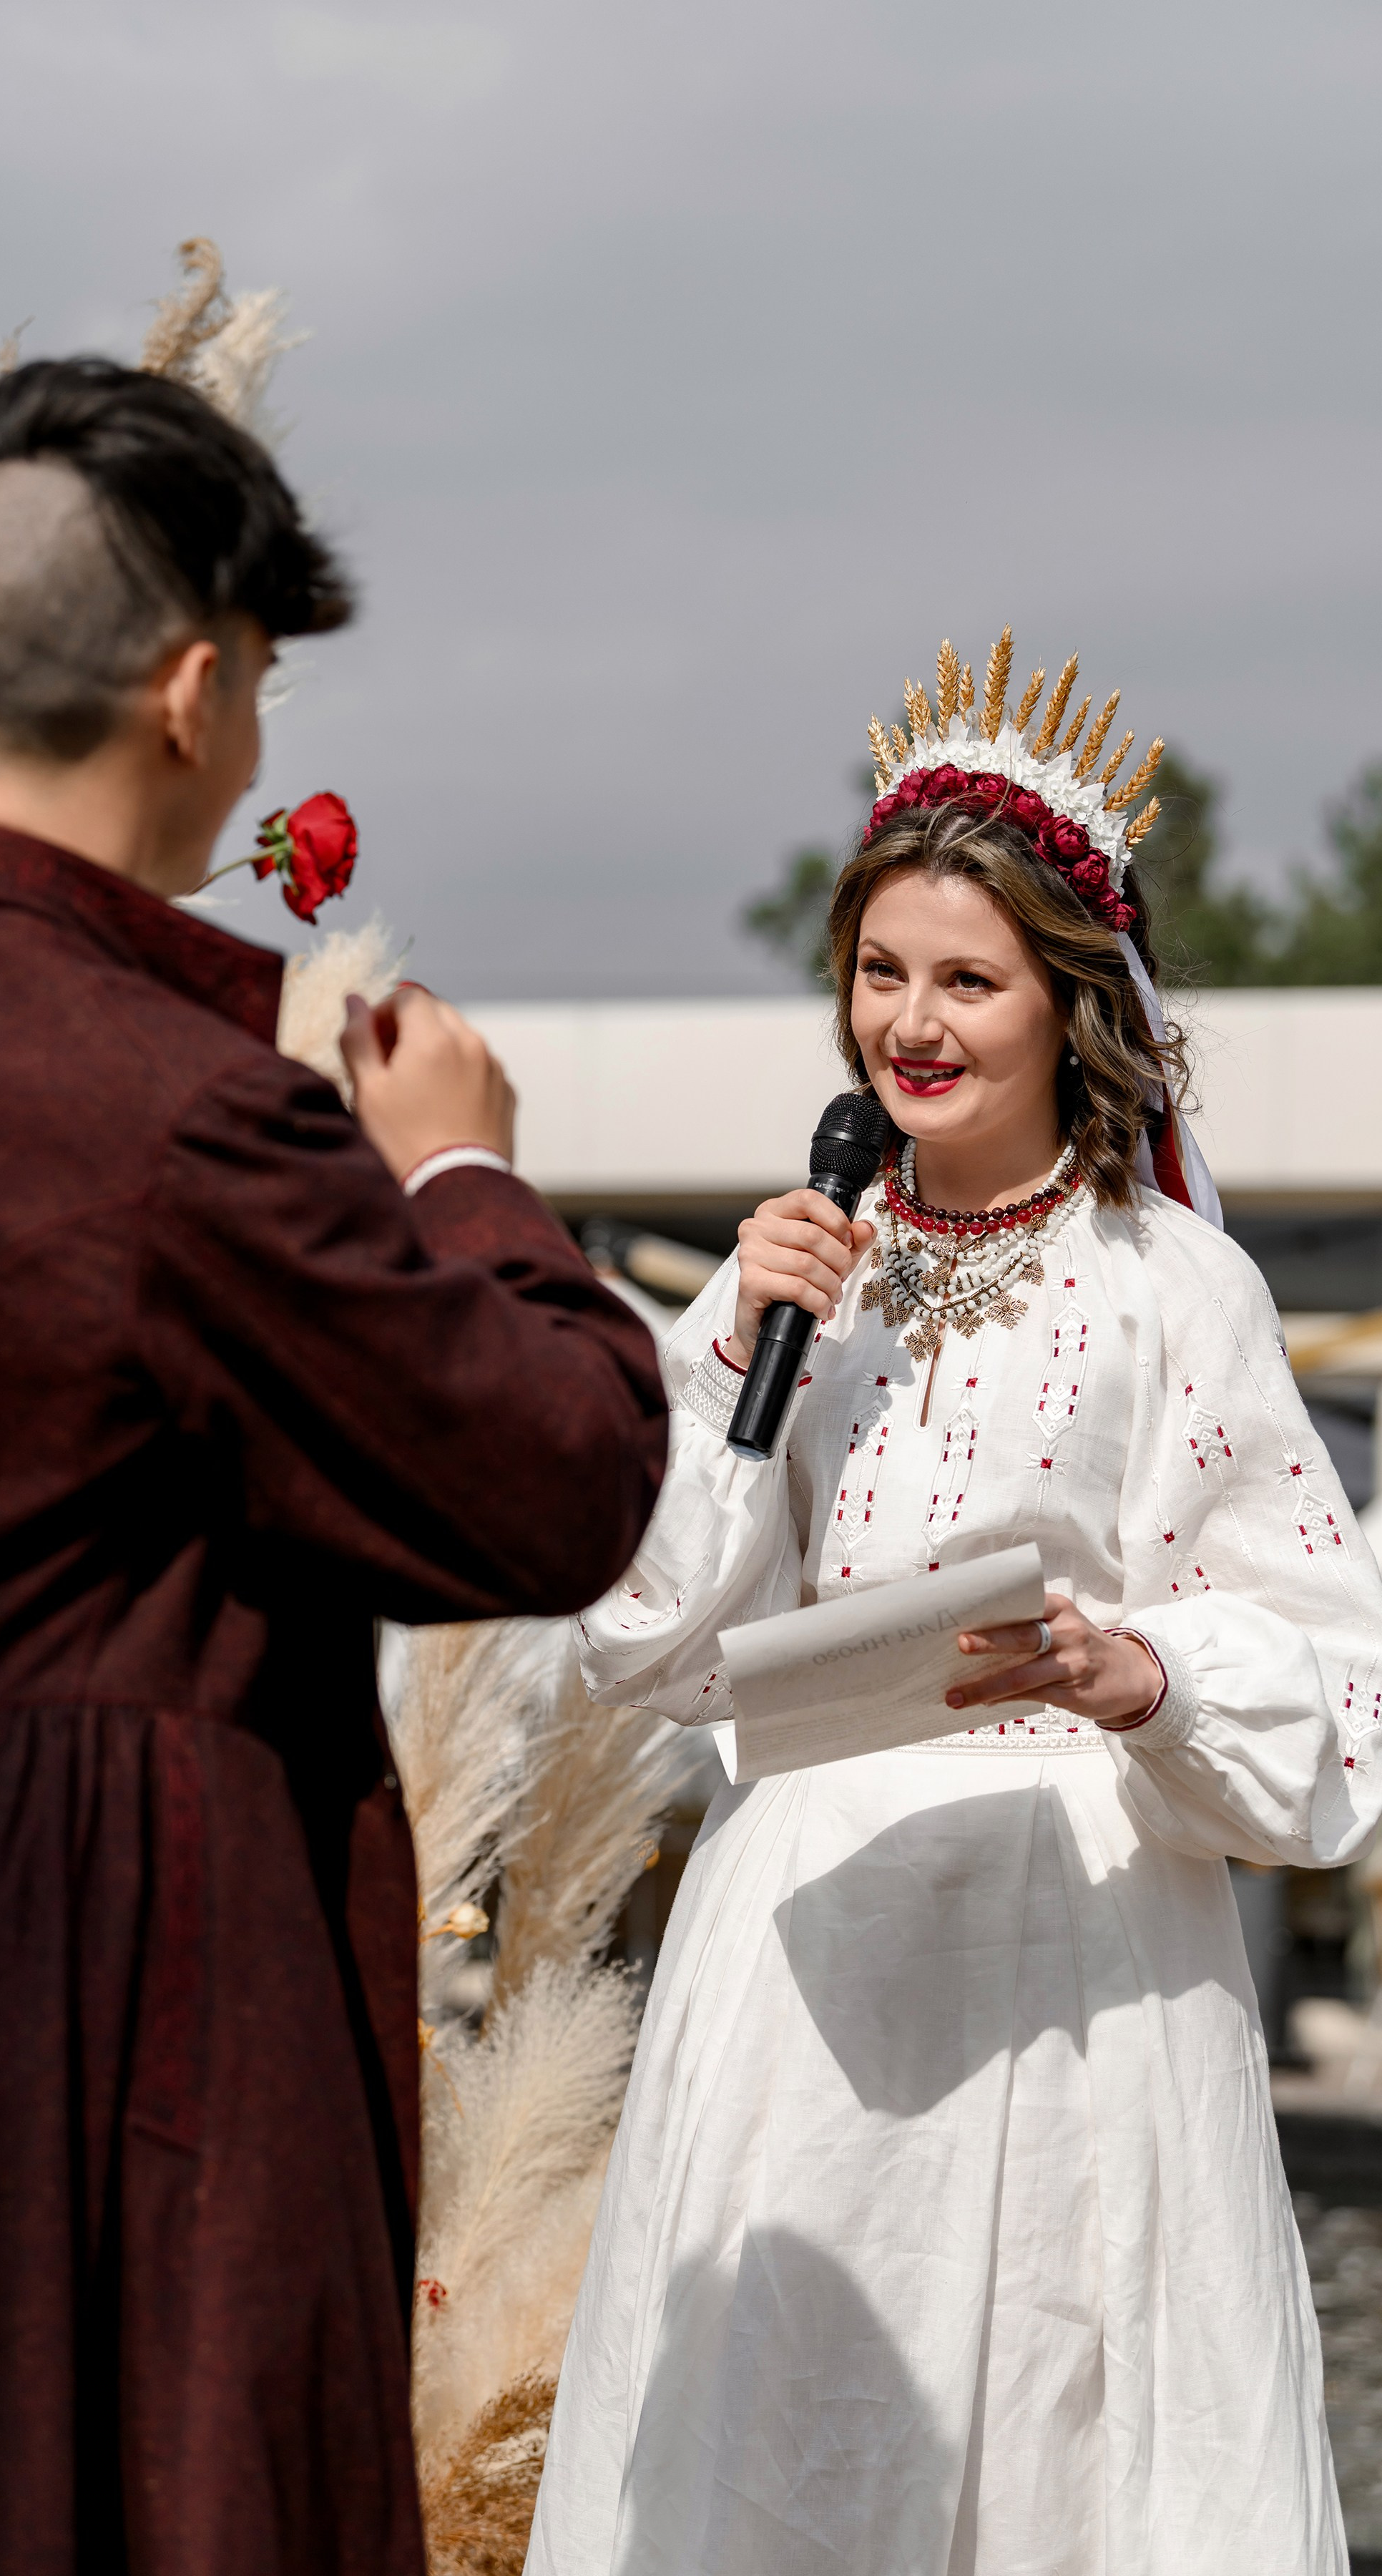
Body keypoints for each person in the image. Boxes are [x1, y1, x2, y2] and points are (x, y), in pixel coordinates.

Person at [0, 358, 667, 2576]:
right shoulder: (189, 1121)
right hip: (106, 2033)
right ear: (197, 692)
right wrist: (467, 1176)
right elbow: (559, 1482)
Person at [526, 637, 1382, 2576]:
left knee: (1067, 2453)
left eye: (968, 981)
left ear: (1071, 1001)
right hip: (803, 1951)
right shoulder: (785, 1268)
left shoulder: (1176, 1289)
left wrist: (1140, 1672)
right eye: (880, 970)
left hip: (1073, 1946)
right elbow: (642, 1639)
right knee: (788, 2450)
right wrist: (734, 1355)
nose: (909, 1024)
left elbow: (1335, 1673)